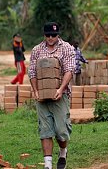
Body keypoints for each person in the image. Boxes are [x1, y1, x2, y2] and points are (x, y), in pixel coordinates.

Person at [28, 22, 75, 169]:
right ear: (44, 35)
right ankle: (48, 164)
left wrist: (60, 89)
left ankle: (62, 152)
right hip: (42, 97)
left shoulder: (66, 48)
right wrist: (36, 91)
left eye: (53, 35)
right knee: (45, 130)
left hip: (60, 95)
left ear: (58, 34)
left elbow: (69, 70)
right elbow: (32, 72)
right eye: (48, 35)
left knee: (61, 131)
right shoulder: (37, 50)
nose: (50, 37)